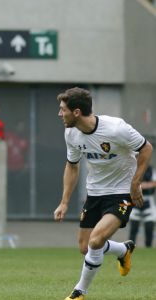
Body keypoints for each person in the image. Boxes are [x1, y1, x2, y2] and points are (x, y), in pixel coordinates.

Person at [52, 87, 153, 300]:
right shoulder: (71, 133)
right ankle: (123, 250)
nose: (60, 114)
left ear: (77, 112)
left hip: (122, 192)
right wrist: (64, 202)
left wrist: (135, 184)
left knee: (95, 241)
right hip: (95, 193)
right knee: (84, 246)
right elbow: (72, 166)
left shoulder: (116, 129)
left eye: (63, 110)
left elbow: (146, 149)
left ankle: (79, 292)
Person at [129, 165, 156, 247]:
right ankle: (130, 248)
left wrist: (140, 185)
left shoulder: (151, 170)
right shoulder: (133, 169)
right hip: (135, 201)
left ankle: (148, 246)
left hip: (148, 200)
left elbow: (154, 183)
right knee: (134, 227)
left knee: (149, 226)